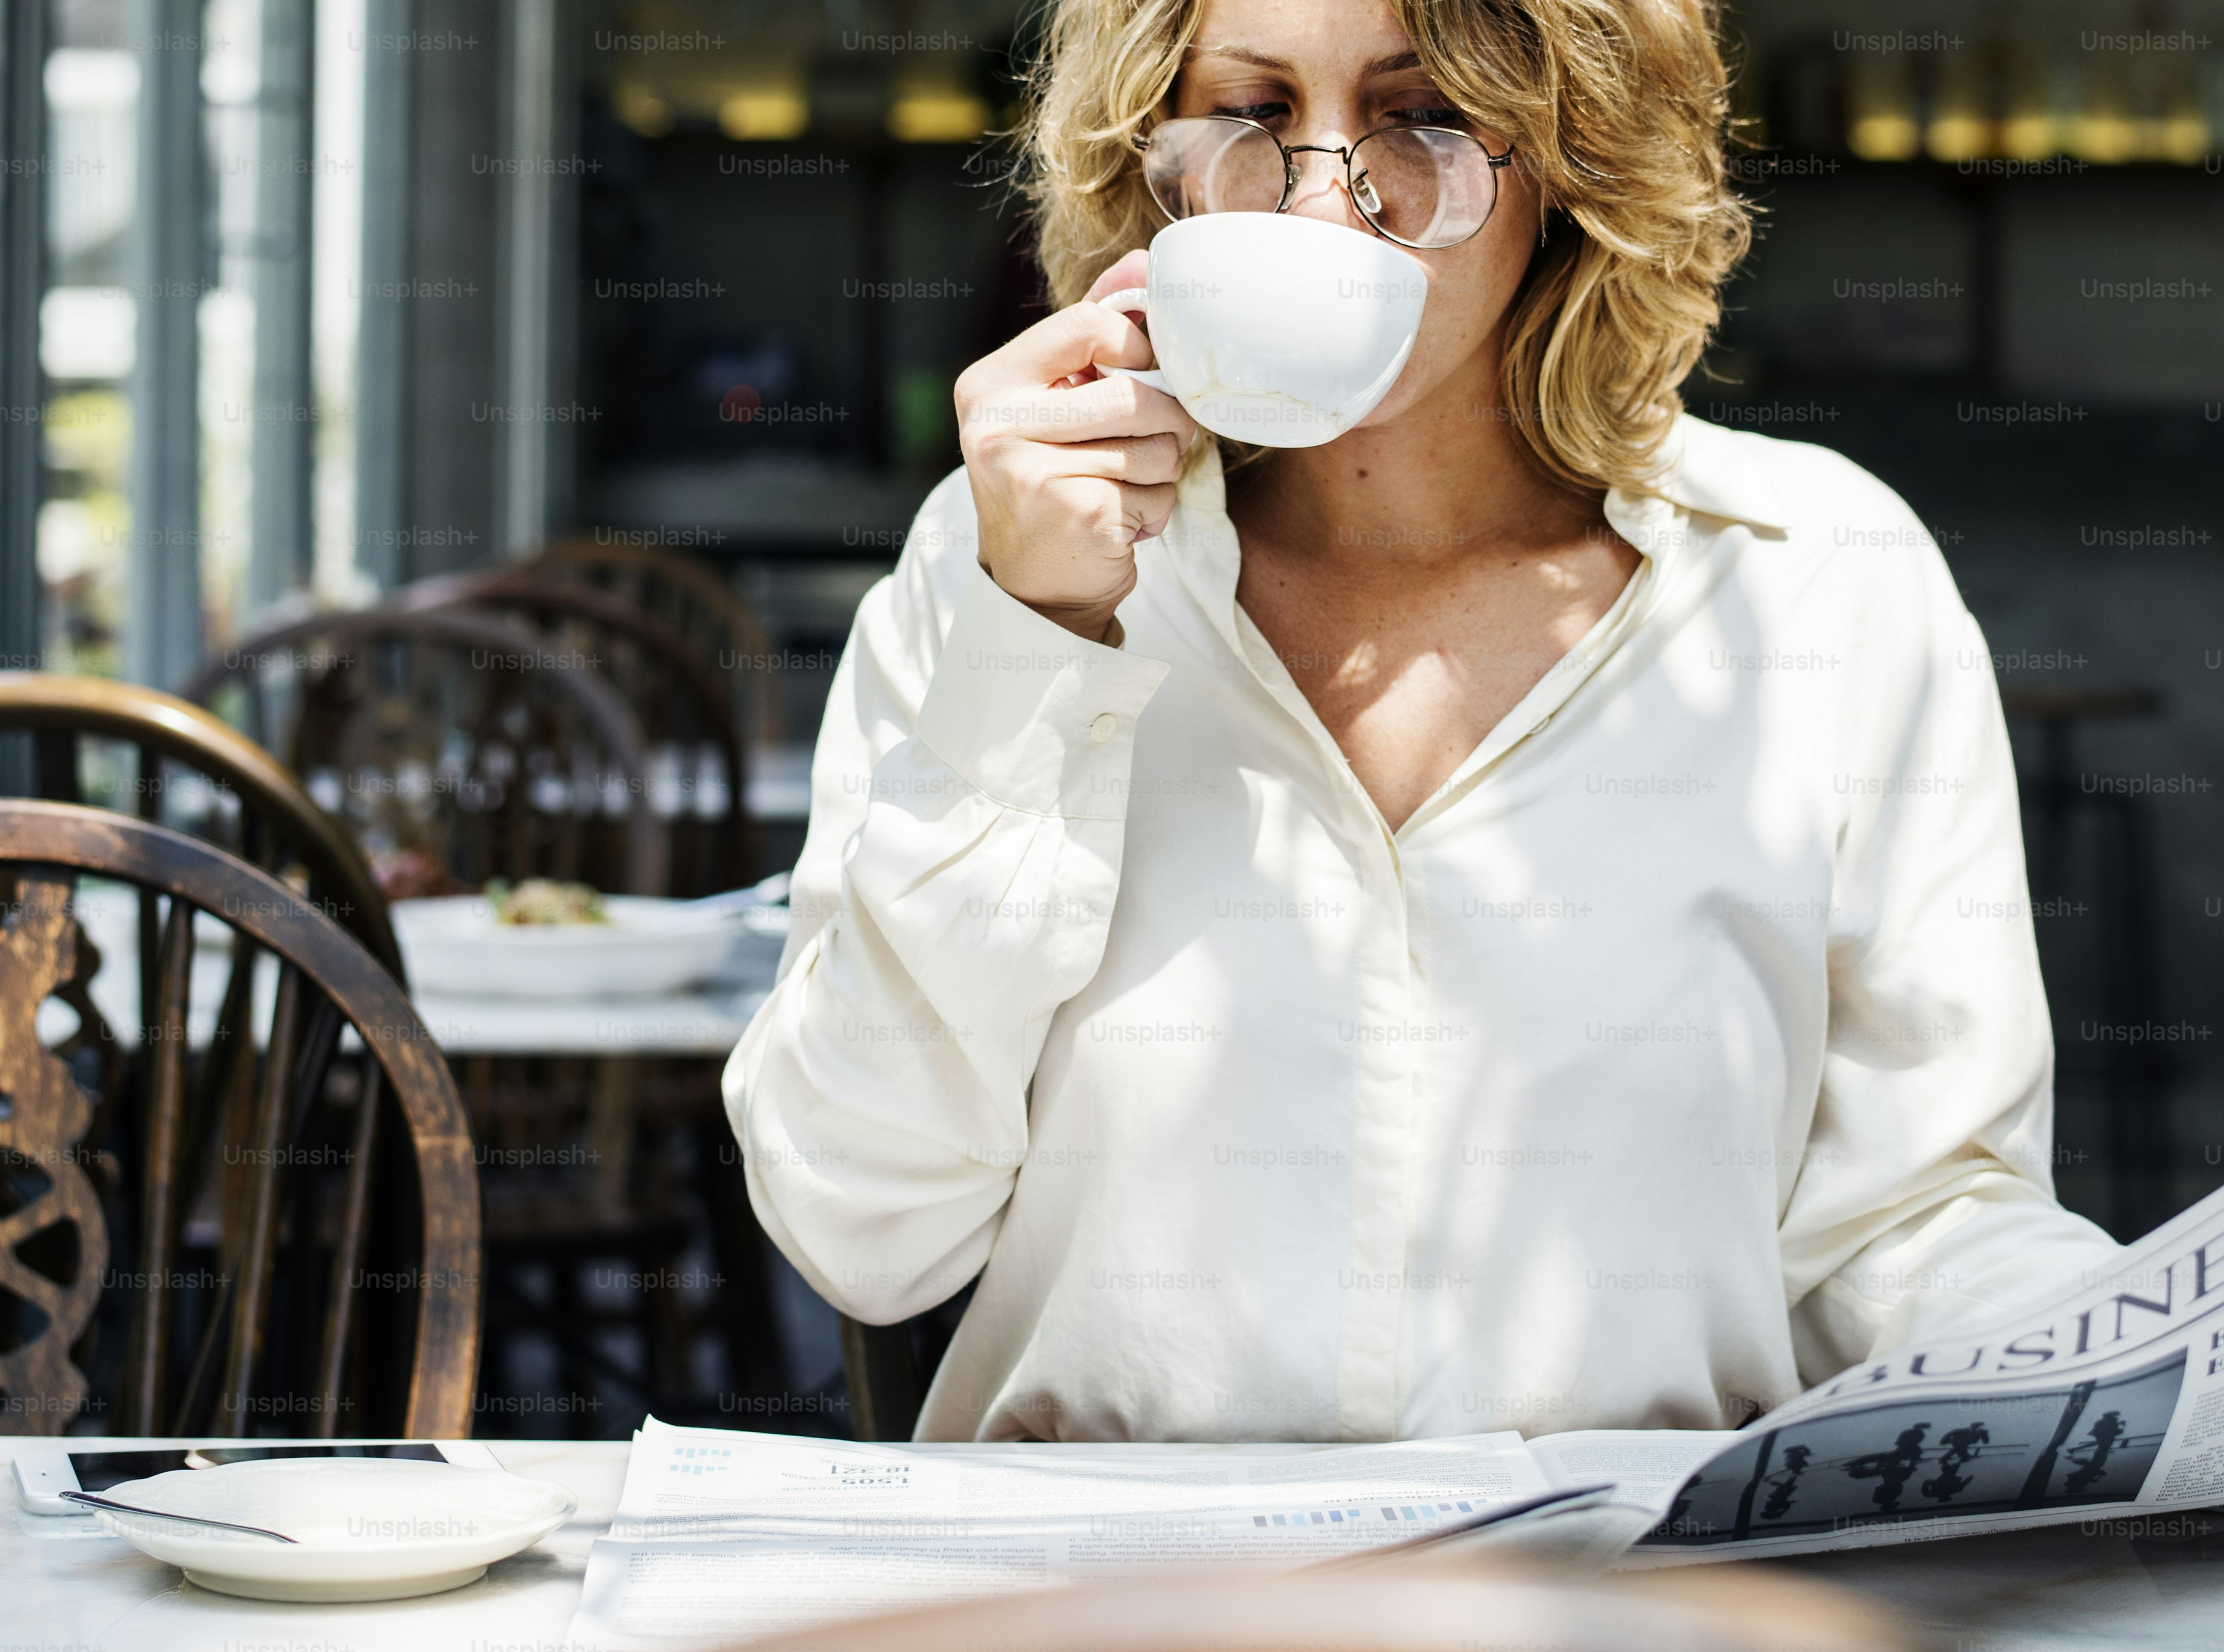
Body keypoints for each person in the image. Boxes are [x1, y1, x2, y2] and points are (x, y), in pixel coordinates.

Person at [723, 0, 2118, 1442]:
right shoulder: (998, 567)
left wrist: (2126, 1364)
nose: (1328, 199)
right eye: (1254, 116)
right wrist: (1038, 642)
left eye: (1425, 117)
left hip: (1621, 1595)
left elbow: (1914, 1222)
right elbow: (859, 1221)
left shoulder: (1820, 581)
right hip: (1115, 1591)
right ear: (1160, 165)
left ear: (1573, 164)